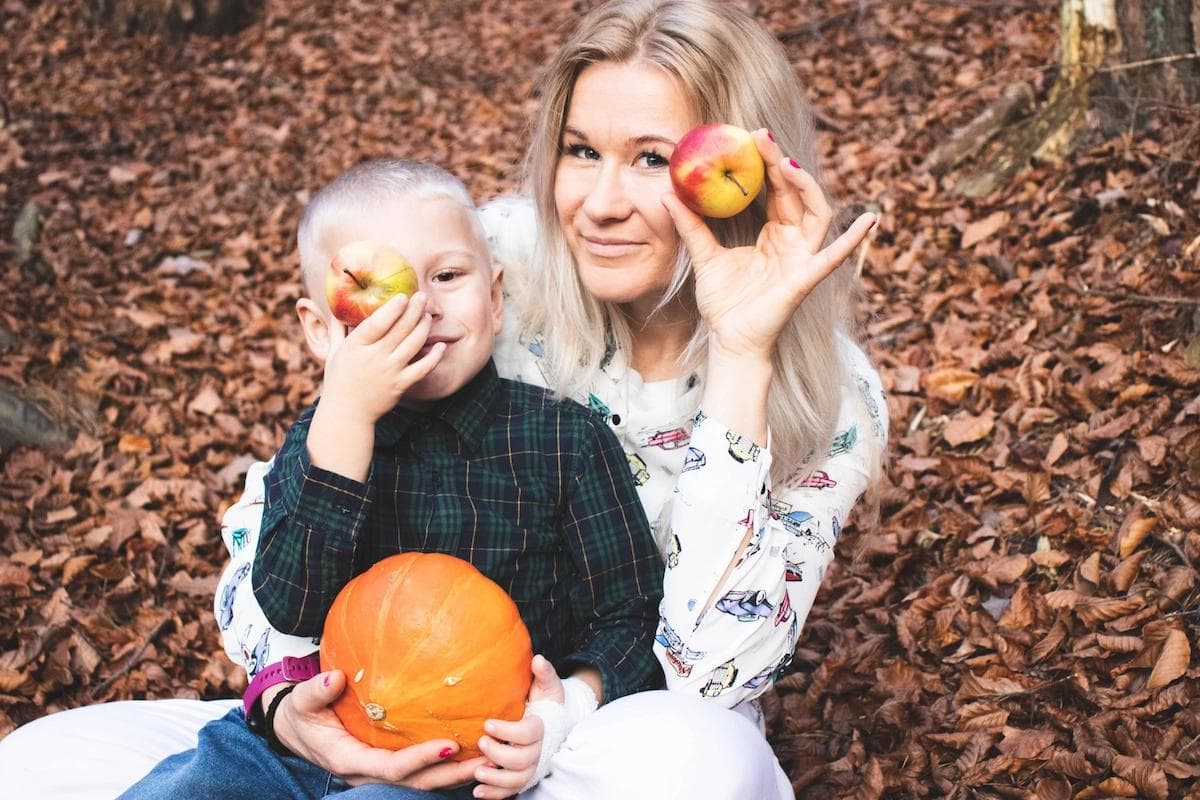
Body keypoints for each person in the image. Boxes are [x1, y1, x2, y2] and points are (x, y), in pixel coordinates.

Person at [0, 1, 888, 797]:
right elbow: (268, 564)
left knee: (697, 765)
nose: (599, 204)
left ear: (742, 168)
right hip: (386, 706)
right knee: (34, 766)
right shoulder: (474, 272)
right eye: (581, 151)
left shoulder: (835, 398)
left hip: (610, 740)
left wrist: (742, 350)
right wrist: (284, 704)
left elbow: (711, 679)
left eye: (653, 159)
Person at [119, 157, 667, 800]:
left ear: (494, 300)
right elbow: (292, 606)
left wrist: (562, 710)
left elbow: (631, 617)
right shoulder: (319, 439)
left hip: (467, 760)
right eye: (382, 286)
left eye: (448, 275)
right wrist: (347, 418)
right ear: (322, 331)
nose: (421, 305)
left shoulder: (565, 441)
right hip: (312, 742)